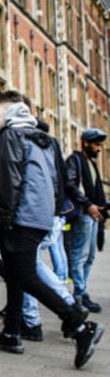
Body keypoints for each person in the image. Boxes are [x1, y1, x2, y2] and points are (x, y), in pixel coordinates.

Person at [0, 91, 102, 368]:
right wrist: (50, 213)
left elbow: (9, 179)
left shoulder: (9, 136)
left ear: (9, 111)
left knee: (23, 273)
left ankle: (78, 325)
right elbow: (59, 181)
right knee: (15, 270)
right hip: (39, 215)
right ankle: (12, 330)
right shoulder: (47, 139)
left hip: (19, 214)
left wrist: (5, 220)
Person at [65, 128, 107, 314]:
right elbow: (71, 185)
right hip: (82, 213)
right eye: (97, 144)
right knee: (78, 255)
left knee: (89, 257)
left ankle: (81, 291)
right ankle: (79, 295)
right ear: (86, 143)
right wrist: (88, 204)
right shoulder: (75, 160)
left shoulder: (91, 163)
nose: (99, 149)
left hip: (93, 214)